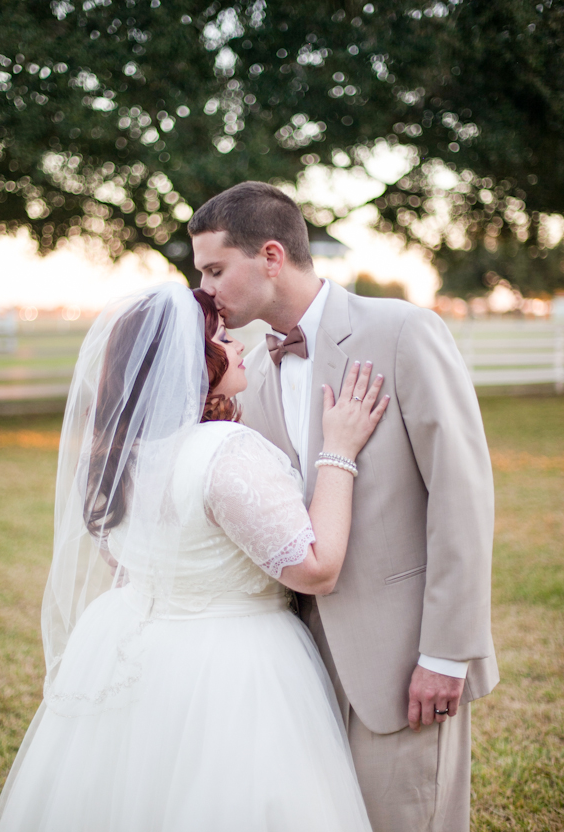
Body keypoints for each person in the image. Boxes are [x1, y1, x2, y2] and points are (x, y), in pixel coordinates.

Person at [0, 282, 388, 832]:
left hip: (135, 650)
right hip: (236, 662)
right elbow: (316, 569)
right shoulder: (224, 451)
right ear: (191, 362)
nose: (241, 346)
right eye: (224, 338)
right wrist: (338, 452)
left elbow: (124, 563)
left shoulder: (120, 456)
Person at [190, 180, 499, 832]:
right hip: (300, 668)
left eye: (216, 269)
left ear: (271, 256)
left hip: (407, 656)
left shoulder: (403, 330)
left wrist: (447, 653)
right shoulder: (257, 374)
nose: (207, 289)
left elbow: (462, 493)